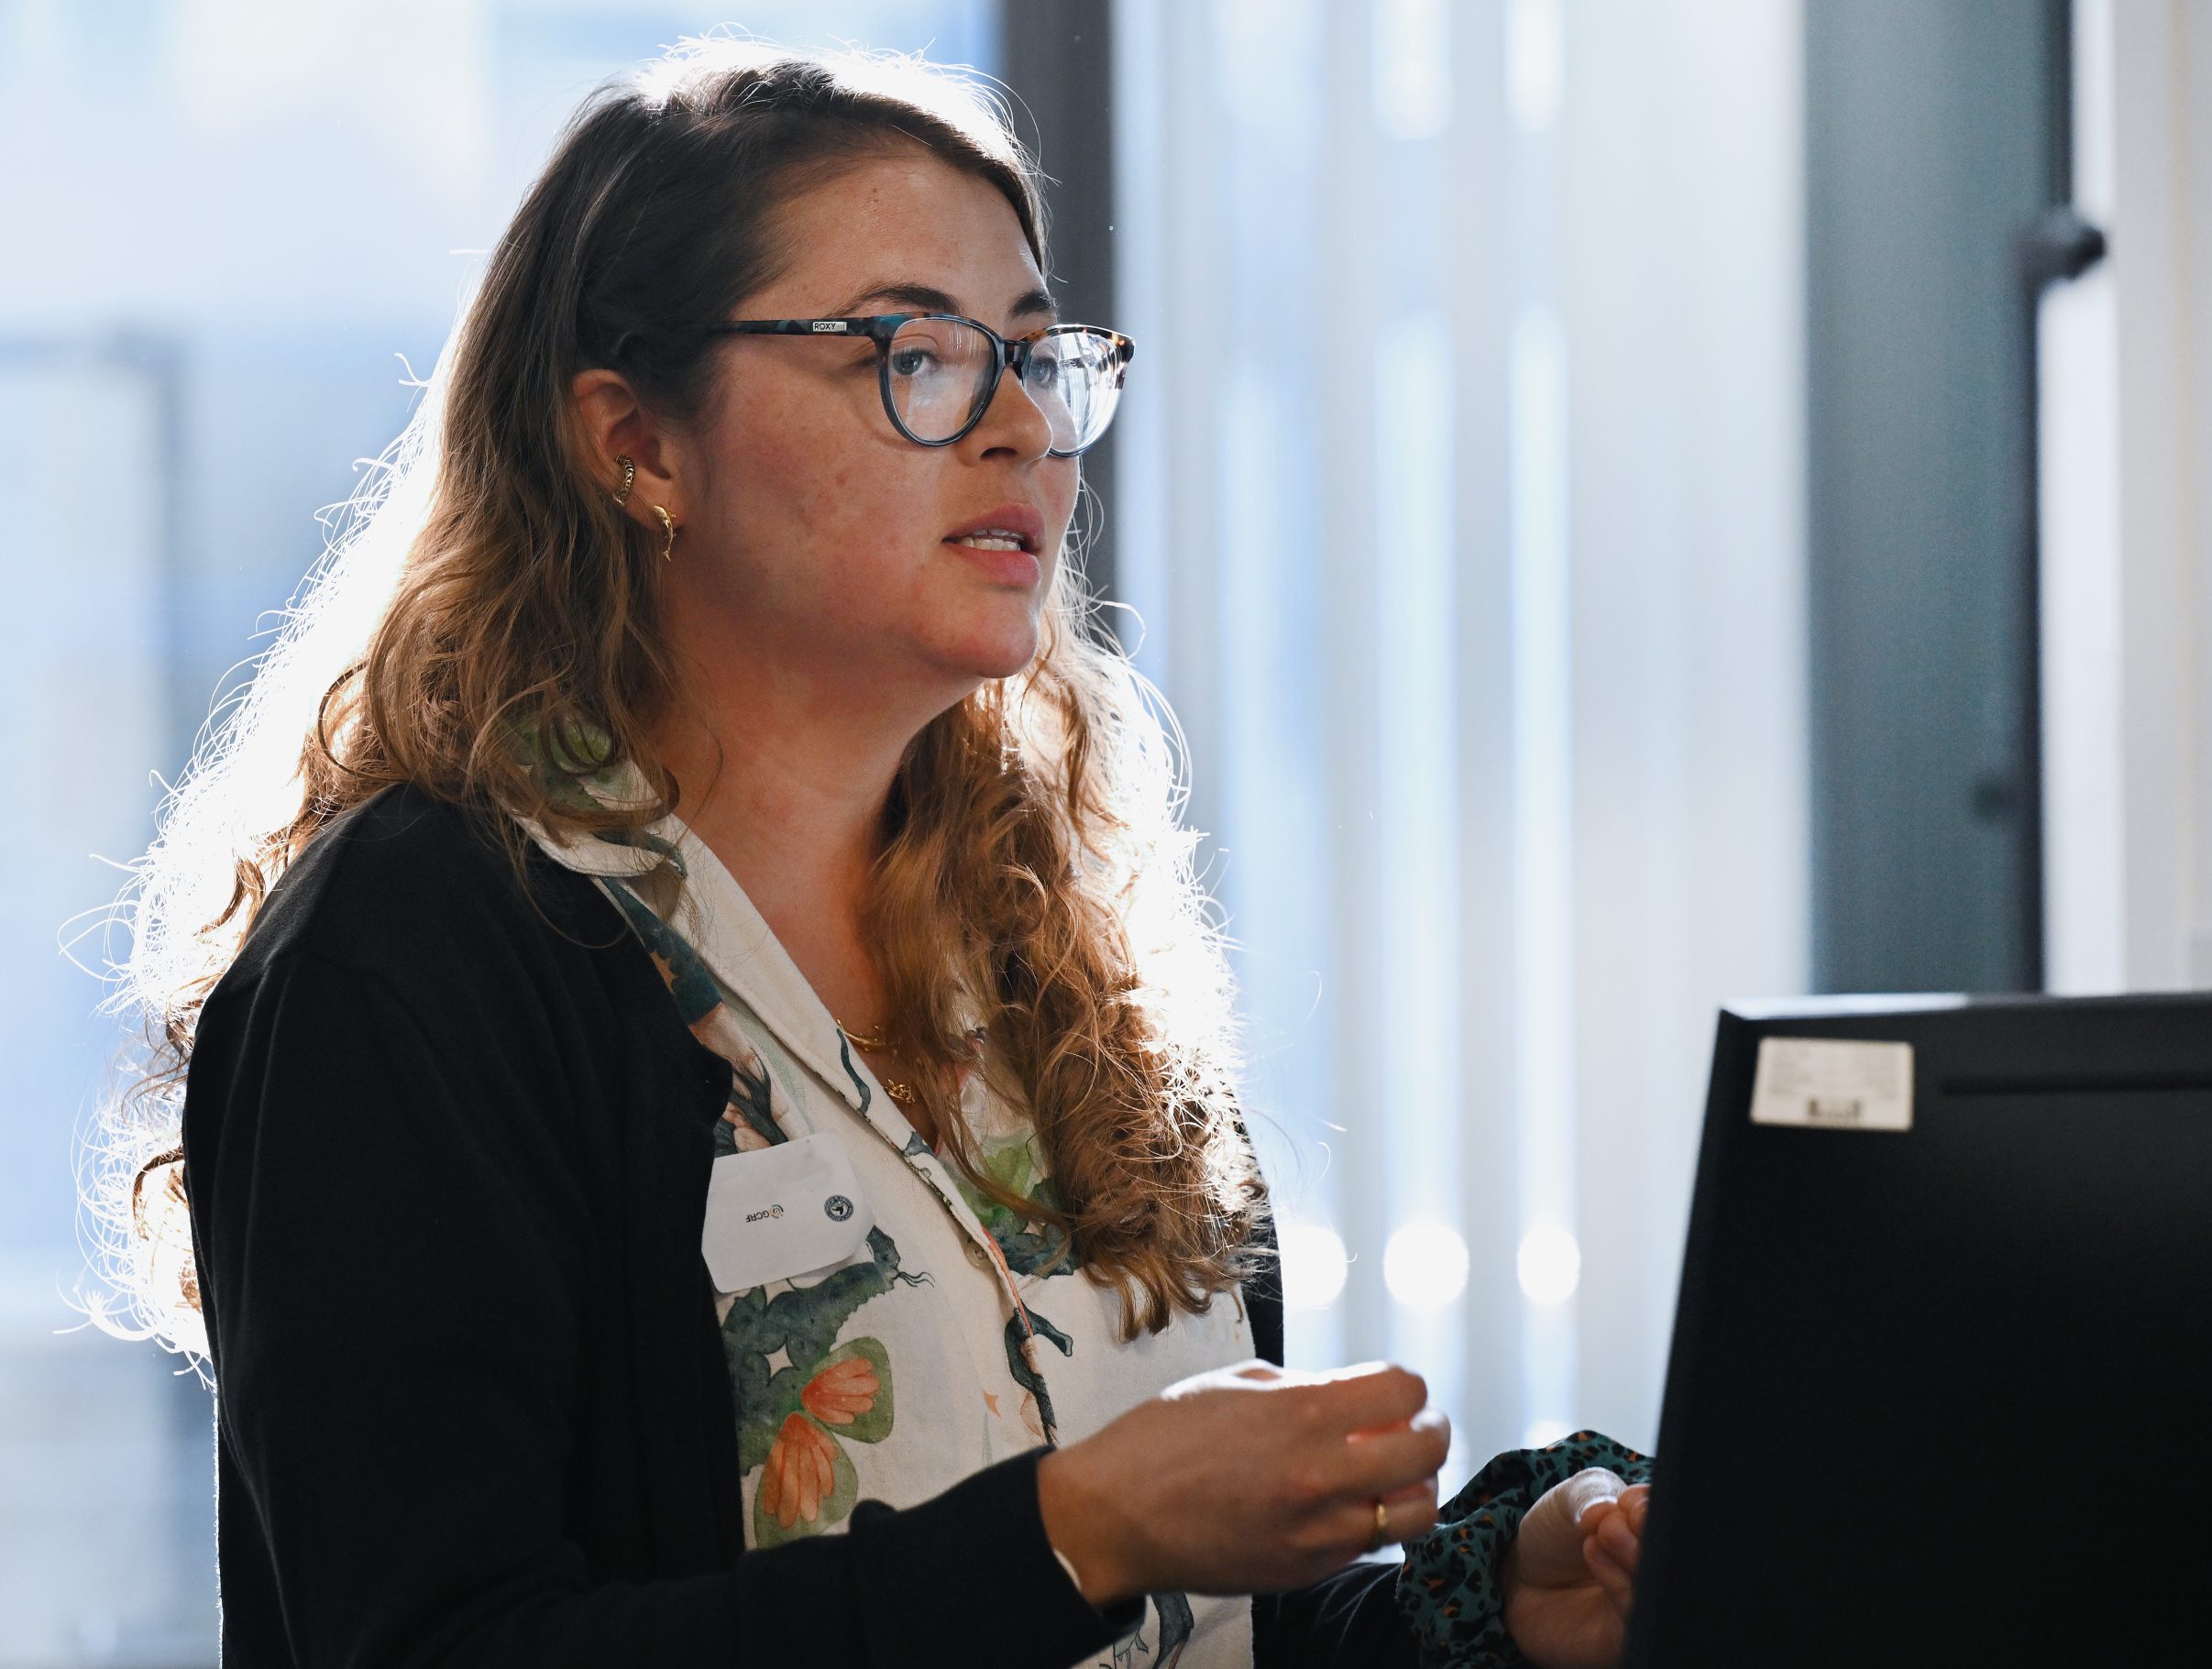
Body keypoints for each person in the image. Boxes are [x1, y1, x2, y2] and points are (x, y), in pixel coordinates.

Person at [96, 38, 1651, 1668]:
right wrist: (1073, 1533)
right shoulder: (411, 957)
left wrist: (1475, 1614)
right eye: (917, 352)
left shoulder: (1057, 940)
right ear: (638, 443)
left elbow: (1198, 1624)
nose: (1022, 429)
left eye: (1035, 357)